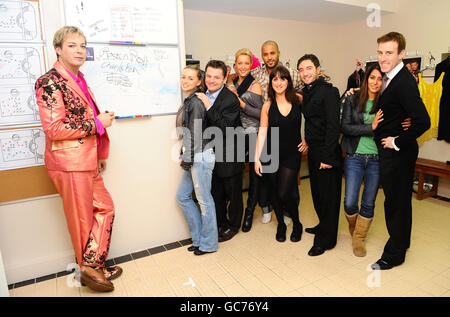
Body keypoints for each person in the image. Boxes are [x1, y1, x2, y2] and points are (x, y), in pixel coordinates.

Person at [35, 26, 120, 292]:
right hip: (69, 164)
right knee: (81, 219)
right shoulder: (49, 81)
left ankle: (93, 265)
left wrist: (97, 154)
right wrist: (97, 123)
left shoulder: (79, 78)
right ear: (58, 49)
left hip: (86, 159)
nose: (79, 51)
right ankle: (89, 270)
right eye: (72, 45)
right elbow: (54, 129)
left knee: (104, 209)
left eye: (83, 46)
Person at [371, 32, 430, 270]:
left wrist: (396, 141)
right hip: (393, 154)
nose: (383, 58)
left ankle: (394, 254)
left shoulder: (403, 81)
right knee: (399, 201)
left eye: (389, 53)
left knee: (395, 203)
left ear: (401, 54)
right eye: (380, 52)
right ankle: (400, 243)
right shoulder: (391, 78)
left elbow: (423, 121)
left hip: (398, 154)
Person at [250, 40, 303, 225]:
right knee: (271, 185)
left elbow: (312, 108)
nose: (269, 57)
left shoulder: (295, 82)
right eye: (265, 54)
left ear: (278, 53)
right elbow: (238, 75)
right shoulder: (256, 74)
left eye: (272, 53)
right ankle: (276, 218)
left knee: (287, 188)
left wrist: (308, 139)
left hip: (290, 142)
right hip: (270, 137)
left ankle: (292, 217)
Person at [254, 65, 308, 242]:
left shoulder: (298, 100)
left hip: (292, 153)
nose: (278, 82)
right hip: (271, 153)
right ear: (271, 83)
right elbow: (262, 133)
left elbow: (315, 120)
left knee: (286, 192)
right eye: (275, 79)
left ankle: (297, 223)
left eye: (282, 78)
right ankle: (281, 225)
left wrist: (307, 140)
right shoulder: (267, 105)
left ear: (288, 81)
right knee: (275, 192)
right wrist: (257, 159)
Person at [298, 54, 342, 256]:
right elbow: (313, 121)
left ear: (317, 69)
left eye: (308, 68)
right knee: (316, 194)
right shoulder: (306, 92)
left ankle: (326, 239)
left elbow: (334, 126)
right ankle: (323, 225)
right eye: (301, 69)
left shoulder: (329, 92)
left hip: (327, 152)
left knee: (328, 198)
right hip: (314, 150)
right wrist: (307, 140)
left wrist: (328, 157)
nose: (305, 73)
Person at [197, 60, 244, 243]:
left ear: (225, 79)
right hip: (212, 153)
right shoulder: (203, 95)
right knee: (216, 192)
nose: (211, 80)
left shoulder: (231, 99)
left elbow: (224, 127)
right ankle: (220, 223)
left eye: (217, 77)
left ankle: (233, 226)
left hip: (231, 152)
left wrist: (209, 106)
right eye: (209, 76)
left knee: (233, 194)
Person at [175, 66, 218, 256]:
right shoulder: (190, 100)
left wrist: (186, 159)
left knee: (204, 200)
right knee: (182, 196)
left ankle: (208, 244)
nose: (185, 81)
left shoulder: (197, 102)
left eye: (191, 78)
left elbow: (196, 133)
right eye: (183, 77)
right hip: (193, 155)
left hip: (200, 155)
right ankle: (199, 239)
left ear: (199, 82)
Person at [227, 48, 268, 232]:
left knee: (254, 174)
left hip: (252, 133)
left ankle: (250, 212)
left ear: (251, 65)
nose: (243, 67)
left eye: (246, 63)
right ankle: (235, 210)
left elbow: (261, 113)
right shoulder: (231, 82)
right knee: (233, 172)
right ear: (235, 64)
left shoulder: (255, 85)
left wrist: (241, 103)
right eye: (240, 63)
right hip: (235, 133)